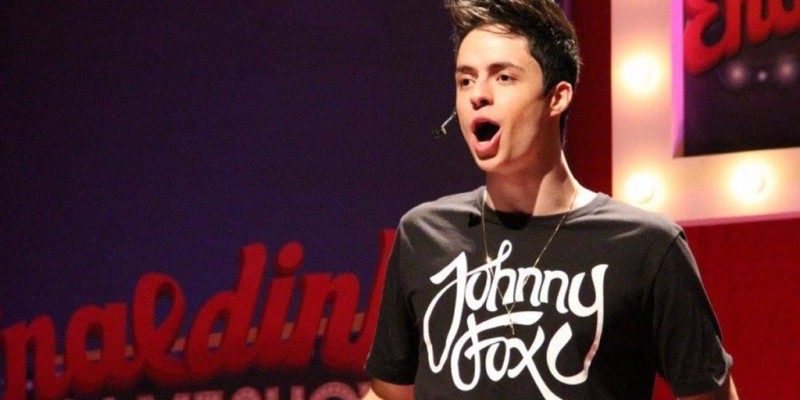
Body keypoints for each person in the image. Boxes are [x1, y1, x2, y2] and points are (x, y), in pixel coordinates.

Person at [364, 0, 738, 399]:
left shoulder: (645, 246)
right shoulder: (424, 235)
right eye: (466, 80)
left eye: (503, 77)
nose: (478, 95)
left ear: (557, 98)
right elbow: (388, 395)